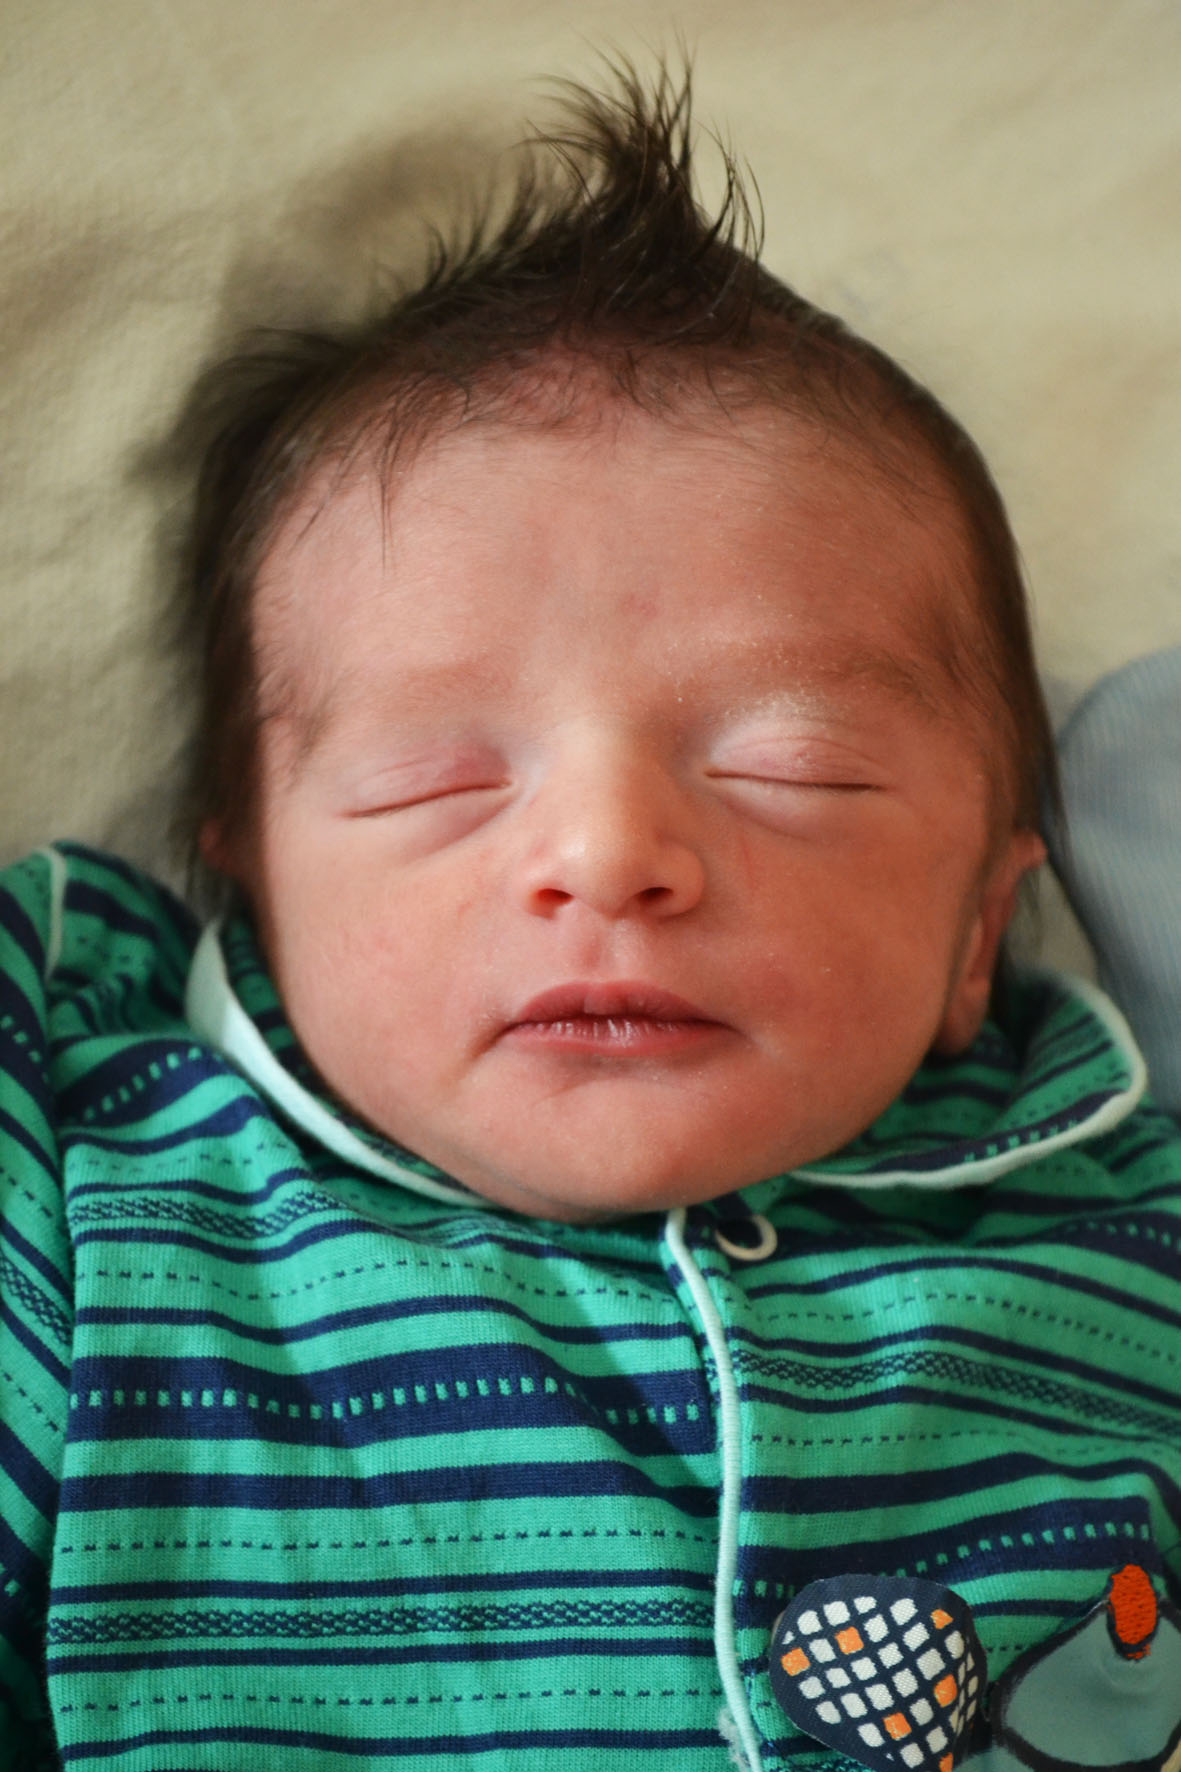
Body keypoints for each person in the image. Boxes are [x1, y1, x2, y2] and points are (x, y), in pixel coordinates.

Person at [1, 66, 1178, 1772]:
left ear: (980, 932)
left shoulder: (1132, 1233)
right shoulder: (110, 1224)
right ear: (248, 881)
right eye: (433, 779)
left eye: (791, 765)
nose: (610, 855)